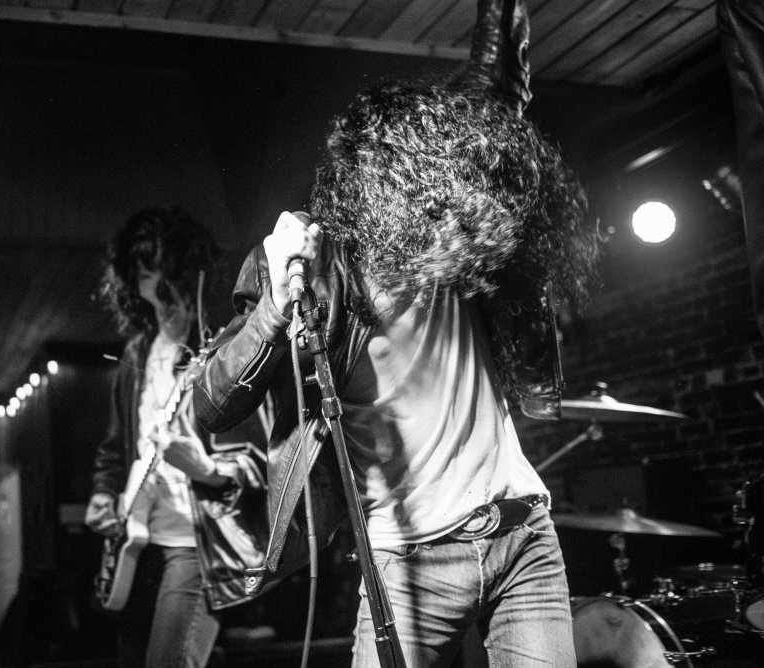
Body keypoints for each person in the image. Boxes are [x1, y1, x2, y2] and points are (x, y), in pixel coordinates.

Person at [192, 1, 601, 664]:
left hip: (523, 539)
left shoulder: (454, 238)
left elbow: (498, 85)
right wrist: (272, 304)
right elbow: (212, 404)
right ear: (387, 186)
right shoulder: (320, 267)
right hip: (412, 567)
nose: (451, 199)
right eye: (431, 184)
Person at [85, 205, 269, 668]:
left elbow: (262, 456)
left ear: (185, 266)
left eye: (159, 263)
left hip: (194, 541)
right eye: (141, 267)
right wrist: (105, 496)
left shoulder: (221, 343)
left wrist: (205, 470)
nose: (149, 276)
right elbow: (114, 448)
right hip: (138, 540)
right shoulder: (137, 352)